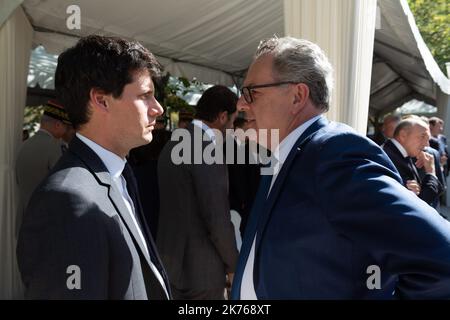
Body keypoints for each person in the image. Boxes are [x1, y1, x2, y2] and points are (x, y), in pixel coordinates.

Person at [231, 36, 450, 299]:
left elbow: (441, 260)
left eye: (251, 92)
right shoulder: (286, 155)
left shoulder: (334, 156)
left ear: (297, 96)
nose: (240, 104)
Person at [17, 35, 171, 300]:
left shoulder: (117, 174)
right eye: (145, 95)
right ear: (101, 101)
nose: (157, 108)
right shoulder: (67, 200)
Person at [157, 85, 239, 299]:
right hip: (202, 272)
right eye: (233, 120)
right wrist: (234, 265)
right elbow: (217, 219)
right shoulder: (205, 148)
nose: (233, 128)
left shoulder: (173, 141)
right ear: (222, 116)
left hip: (170, 262)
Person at [15, 100, 73, 235]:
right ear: (58, 124)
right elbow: (63, 186)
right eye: (66, 127)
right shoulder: (54, 147)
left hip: (24, 220)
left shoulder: (23, 145)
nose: (67, 131)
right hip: (46, 224)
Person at [383, 117, 443, 208]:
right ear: (403, 135)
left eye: (428, 139)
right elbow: (420, 206)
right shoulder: (387, 158)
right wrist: (431, 172)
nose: (427, 145)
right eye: (422, 136)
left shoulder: (403, 153)